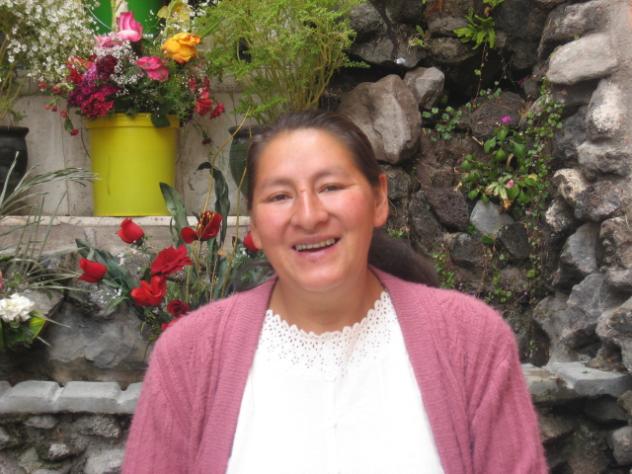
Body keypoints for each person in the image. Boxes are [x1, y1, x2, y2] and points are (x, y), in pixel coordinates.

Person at [123, 111, 547, 473]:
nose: (308, 216)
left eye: (331, 187)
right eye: (279, 196)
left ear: (379, 199)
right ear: (255, 224)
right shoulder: (189, 356)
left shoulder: (471, 340)